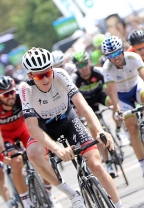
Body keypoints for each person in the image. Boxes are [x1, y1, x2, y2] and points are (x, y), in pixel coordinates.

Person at [20, 48, 122, 208]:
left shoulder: (60, 75)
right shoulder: (26, 89)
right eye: (40, 76)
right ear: (30, 76)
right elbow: (32, 128)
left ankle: (118, 205)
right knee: (33, 154)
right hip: (44, 127)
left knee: (96, 165)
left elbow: (84, 106)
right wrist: (57, 149)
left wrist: (100, 130)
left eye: (48, 72)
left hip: (67, 120)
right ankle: (72, 195)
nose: (46, 79)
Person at [101, 36, 144, 186]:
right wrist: (118, 111)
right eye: (110, 56)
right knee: (132, 128)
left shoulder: (133, 57)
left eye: (117, 53)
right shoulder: (106, 68)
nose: (115, 58)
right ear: (107, 57)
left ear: (122, 50)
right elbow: (112, 92)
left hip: (136, 87)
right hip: (122, 96)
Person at [0, 76, 62, 208]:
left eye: (12, 92)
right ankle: (26, 203)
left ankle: (49, 194)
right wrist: (2, 152)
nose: (10, 97)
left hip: (24, 131)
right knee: (16, 163)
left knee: (43, 154)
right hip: (6, 137)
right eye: (6, 95)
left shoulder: (20, 98)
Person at [71, 51, 123, 178]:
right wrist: (79, 117)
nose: (83, 67)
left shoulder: (98, 71)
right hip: (86, 103)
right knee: (95, 132)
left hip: (100, 96)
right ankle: (108, 162)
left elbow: (111, 88)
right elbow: (72, 101)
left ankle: (118, 129)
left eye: (85, 63)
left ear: (89, 62)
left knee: (113, 104)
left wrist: (116, 108)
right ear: (76, 68)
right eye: (79, 65)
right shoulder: (74, 79)